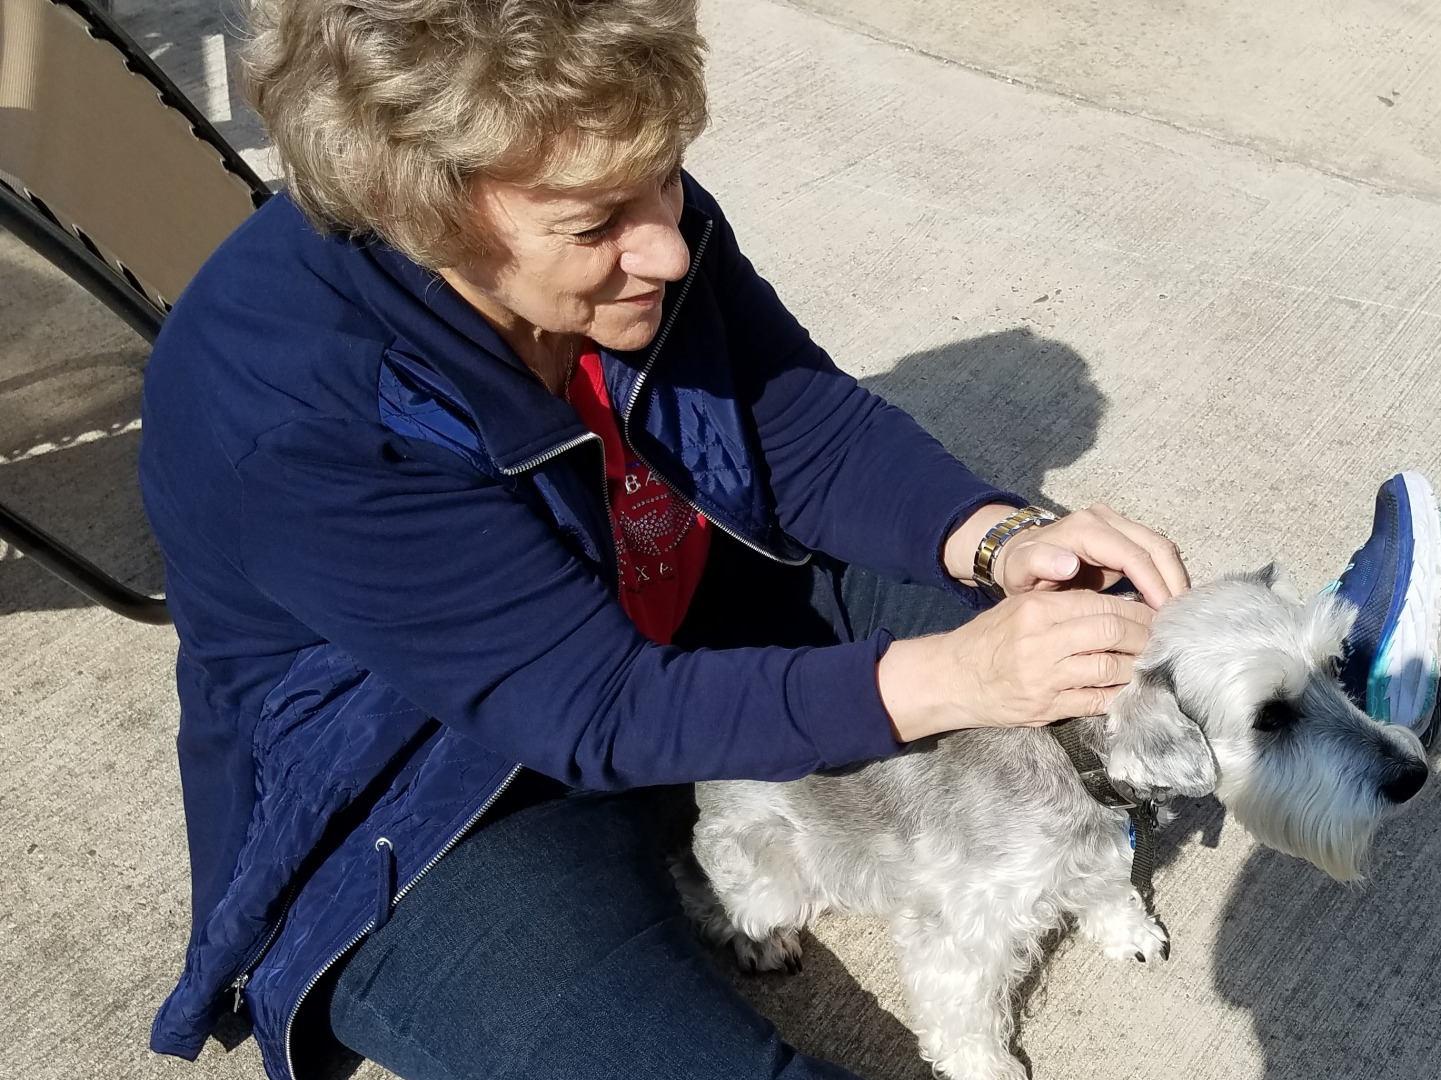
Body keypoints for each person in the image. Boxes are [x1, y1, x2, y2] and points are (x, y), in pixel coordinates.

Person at [137, 2, 1434, 1079]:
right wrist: (954, 675)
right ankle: (1285, 712)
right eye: (596, 225)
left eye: (664, 175)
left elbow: (791, 421)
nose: (665, 244)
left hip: (677, 600)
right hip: (432, 795)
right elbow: (595, 707)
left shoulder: (609, 190)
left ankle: (1292, 686)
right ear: (420, 214)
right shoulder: (290, 415)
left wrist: (992, 539)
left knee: (1100, 657)